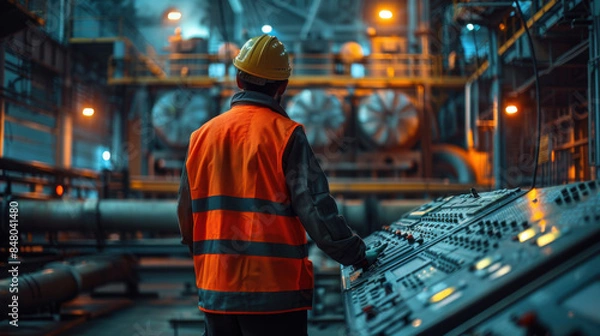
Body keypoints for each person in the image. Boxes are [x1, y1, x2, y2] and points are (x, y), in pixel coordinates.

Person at [177, 34, 386, 336]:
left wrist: (213, 261)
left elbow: (186, 218)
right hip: (274, 296)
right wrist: (355, 255)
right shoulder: (287, 135)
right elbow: (316, 210)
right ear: (282, 87)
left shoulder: (200, 137)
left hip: (215, 291)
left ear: (238, 79)